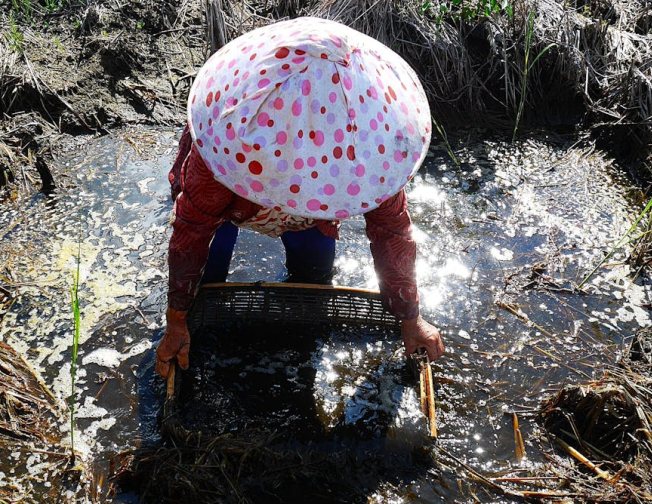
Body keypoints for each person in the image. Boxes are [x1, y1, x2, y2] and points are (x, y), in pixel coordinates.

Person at [156, 17, 444, 379]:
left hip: (310, 212)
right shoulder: (225, 143)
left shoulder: (370, 143)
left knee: (314, 277)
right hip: (232, 198)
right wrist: (177, 319)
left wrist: (410, 317)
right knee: (205, 285)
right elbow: (191, 232)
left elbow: (392, 232)